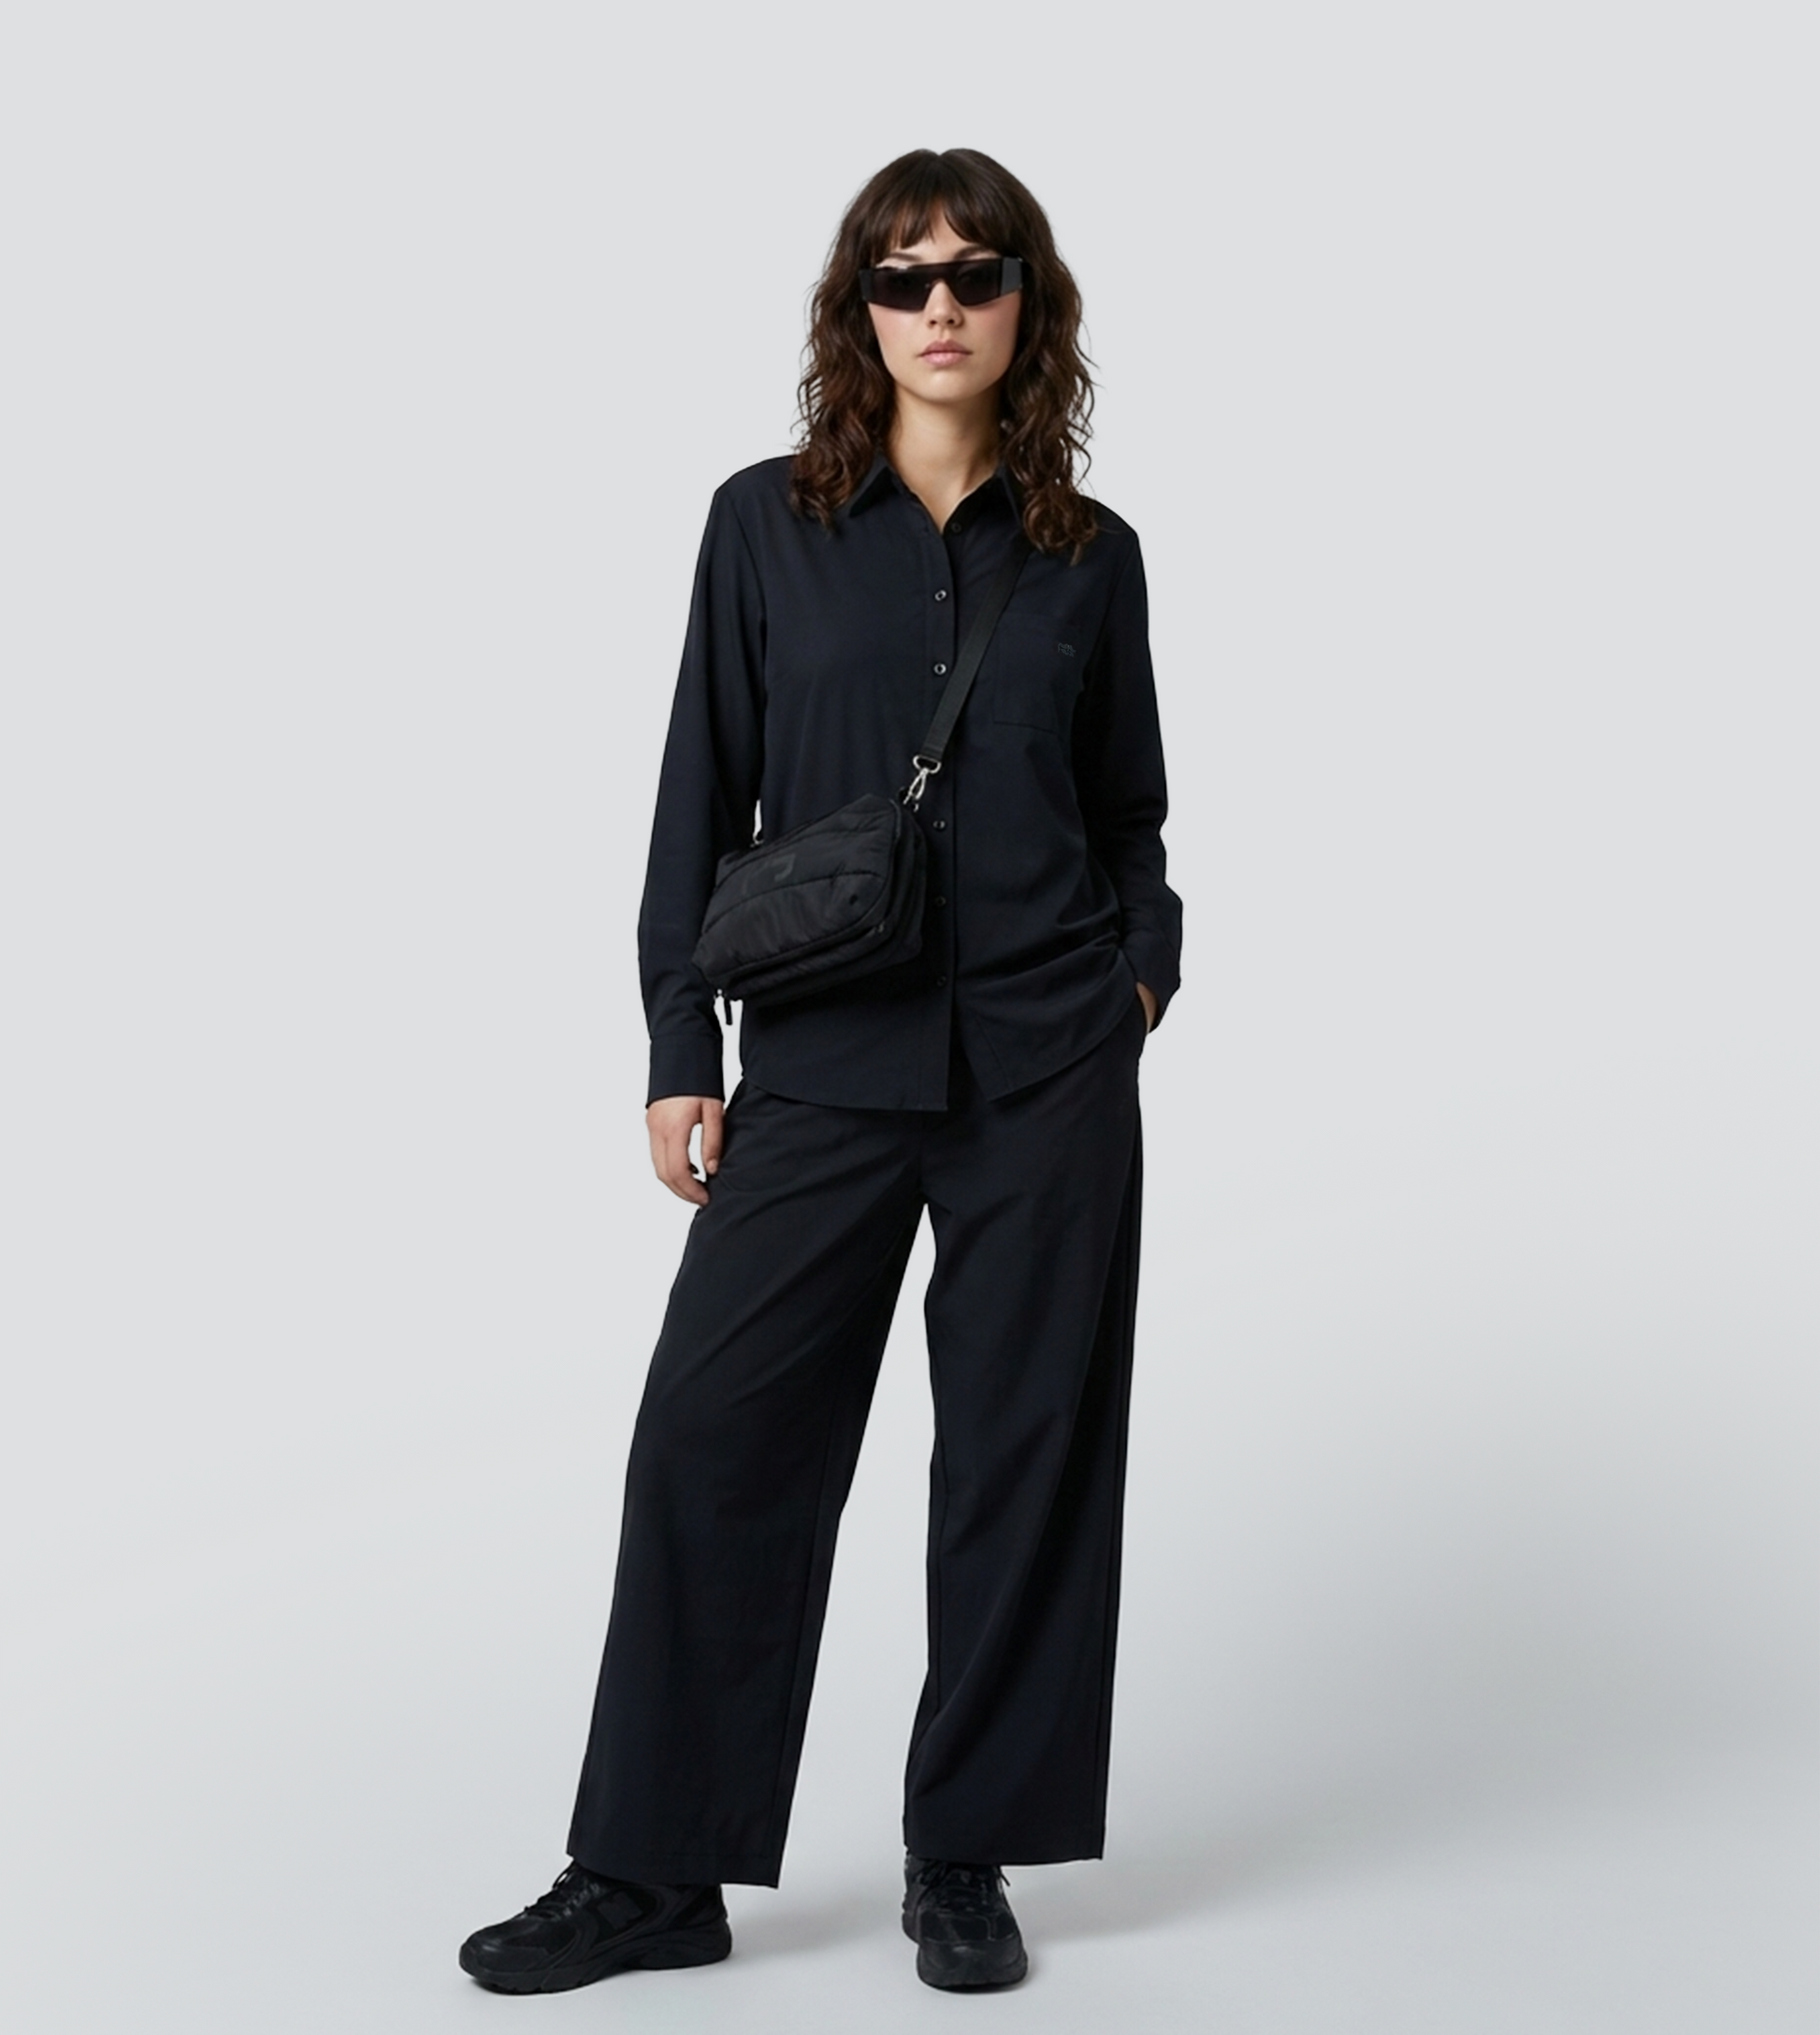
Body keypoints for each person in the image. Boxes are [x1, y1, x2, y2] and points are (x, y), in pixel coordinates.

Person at [459, 145, 1182, 1997]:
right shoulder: (762, 524)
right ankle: (652, 1871)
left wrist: (1138, 973)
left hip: (1044, 1064)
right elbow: (698, 794)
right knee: (715, 1436)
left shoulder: (1090, 556)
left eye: (975, 272)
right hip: (824, 1058)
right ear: (856, 310)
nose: (939, 304)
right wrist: (673, 1045)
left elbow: (1128, 813)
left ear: (1027, 306)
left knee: (1022, 1458)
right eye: (901, 275)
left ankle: (966, 1853)